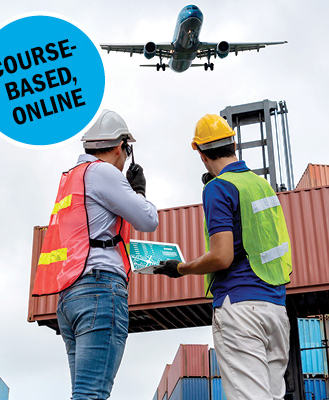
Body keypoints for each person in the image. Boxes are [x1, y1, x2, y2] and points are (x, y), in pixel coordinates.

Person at [155, 114, 292, 400]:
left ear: (201, 154)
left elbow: (221, 257)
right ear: (234, 144)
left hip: (241, 308)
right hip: (277, 309)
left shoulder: (217, 189)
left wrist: (180, 268)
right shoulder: (261, 185)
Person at [32, 109, 159, 400]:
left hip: (70, 297)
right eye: (127, 151)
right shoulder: (103, 172)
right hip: (100, 290)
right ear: (119, 147)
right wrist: (137, 190)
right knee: (91, 394)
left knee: (83, 393)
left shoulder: (72, 178)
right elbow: (148, 220)